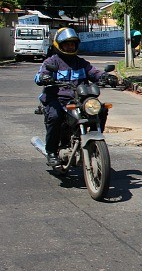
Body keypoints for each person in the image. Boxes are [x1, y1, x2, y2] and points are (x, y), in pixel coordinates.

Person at [34, 27, 109, 167]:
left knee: (101, 110)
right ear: (59, 45)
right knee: (55, 117)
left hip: (79, 99)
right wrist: (44, 77)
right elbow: (38, 76)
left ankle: (93, 141)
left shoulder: (80, 62)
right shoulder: (52, 62)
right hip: (57, 99)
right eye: (67, 44)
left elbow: (93, 72)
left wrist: (105, 76)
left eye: (72, 44)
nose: (70, 47)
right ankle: (51, 152)